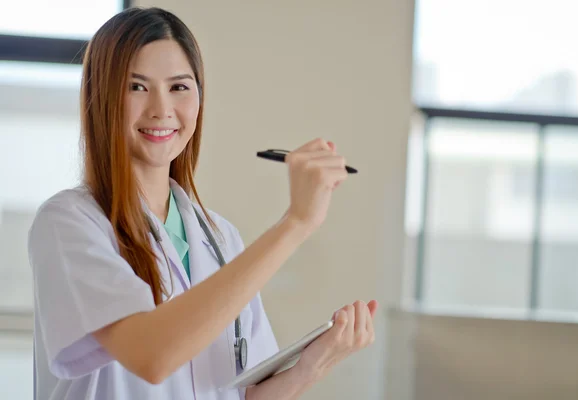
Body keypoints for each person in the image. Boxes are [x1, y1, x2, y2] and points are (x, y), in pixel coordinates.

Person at [27, 6, 377, 400]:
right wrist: (295, 223)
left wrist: (318, 362)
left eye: (179, 87)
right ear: (102, 97)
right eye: (137, 87)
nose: (162, 110)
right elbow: (152, 356)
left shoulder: (220, 237)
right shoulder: (69, 224)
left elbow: (240, 394)